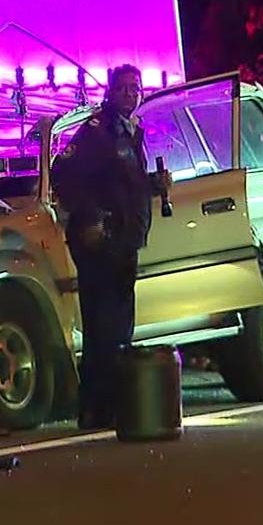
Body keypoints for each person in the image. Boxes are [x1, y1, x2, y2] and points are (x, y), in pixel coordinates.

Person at [50, 65, 169, 430]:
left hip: (125, 242)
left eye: (136, 88)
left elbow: (123, 185)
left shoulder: (130, 132)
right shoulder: (97, 131)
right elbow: (63, 175)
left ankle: (113, 405)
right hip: (101, 244)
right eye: (124, 88)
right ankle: (94, 408)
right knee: (102, 328)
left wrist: (153, 184)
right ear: (111, 92)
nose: (131, 94)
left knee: (119, 329)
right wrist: (93, 218)